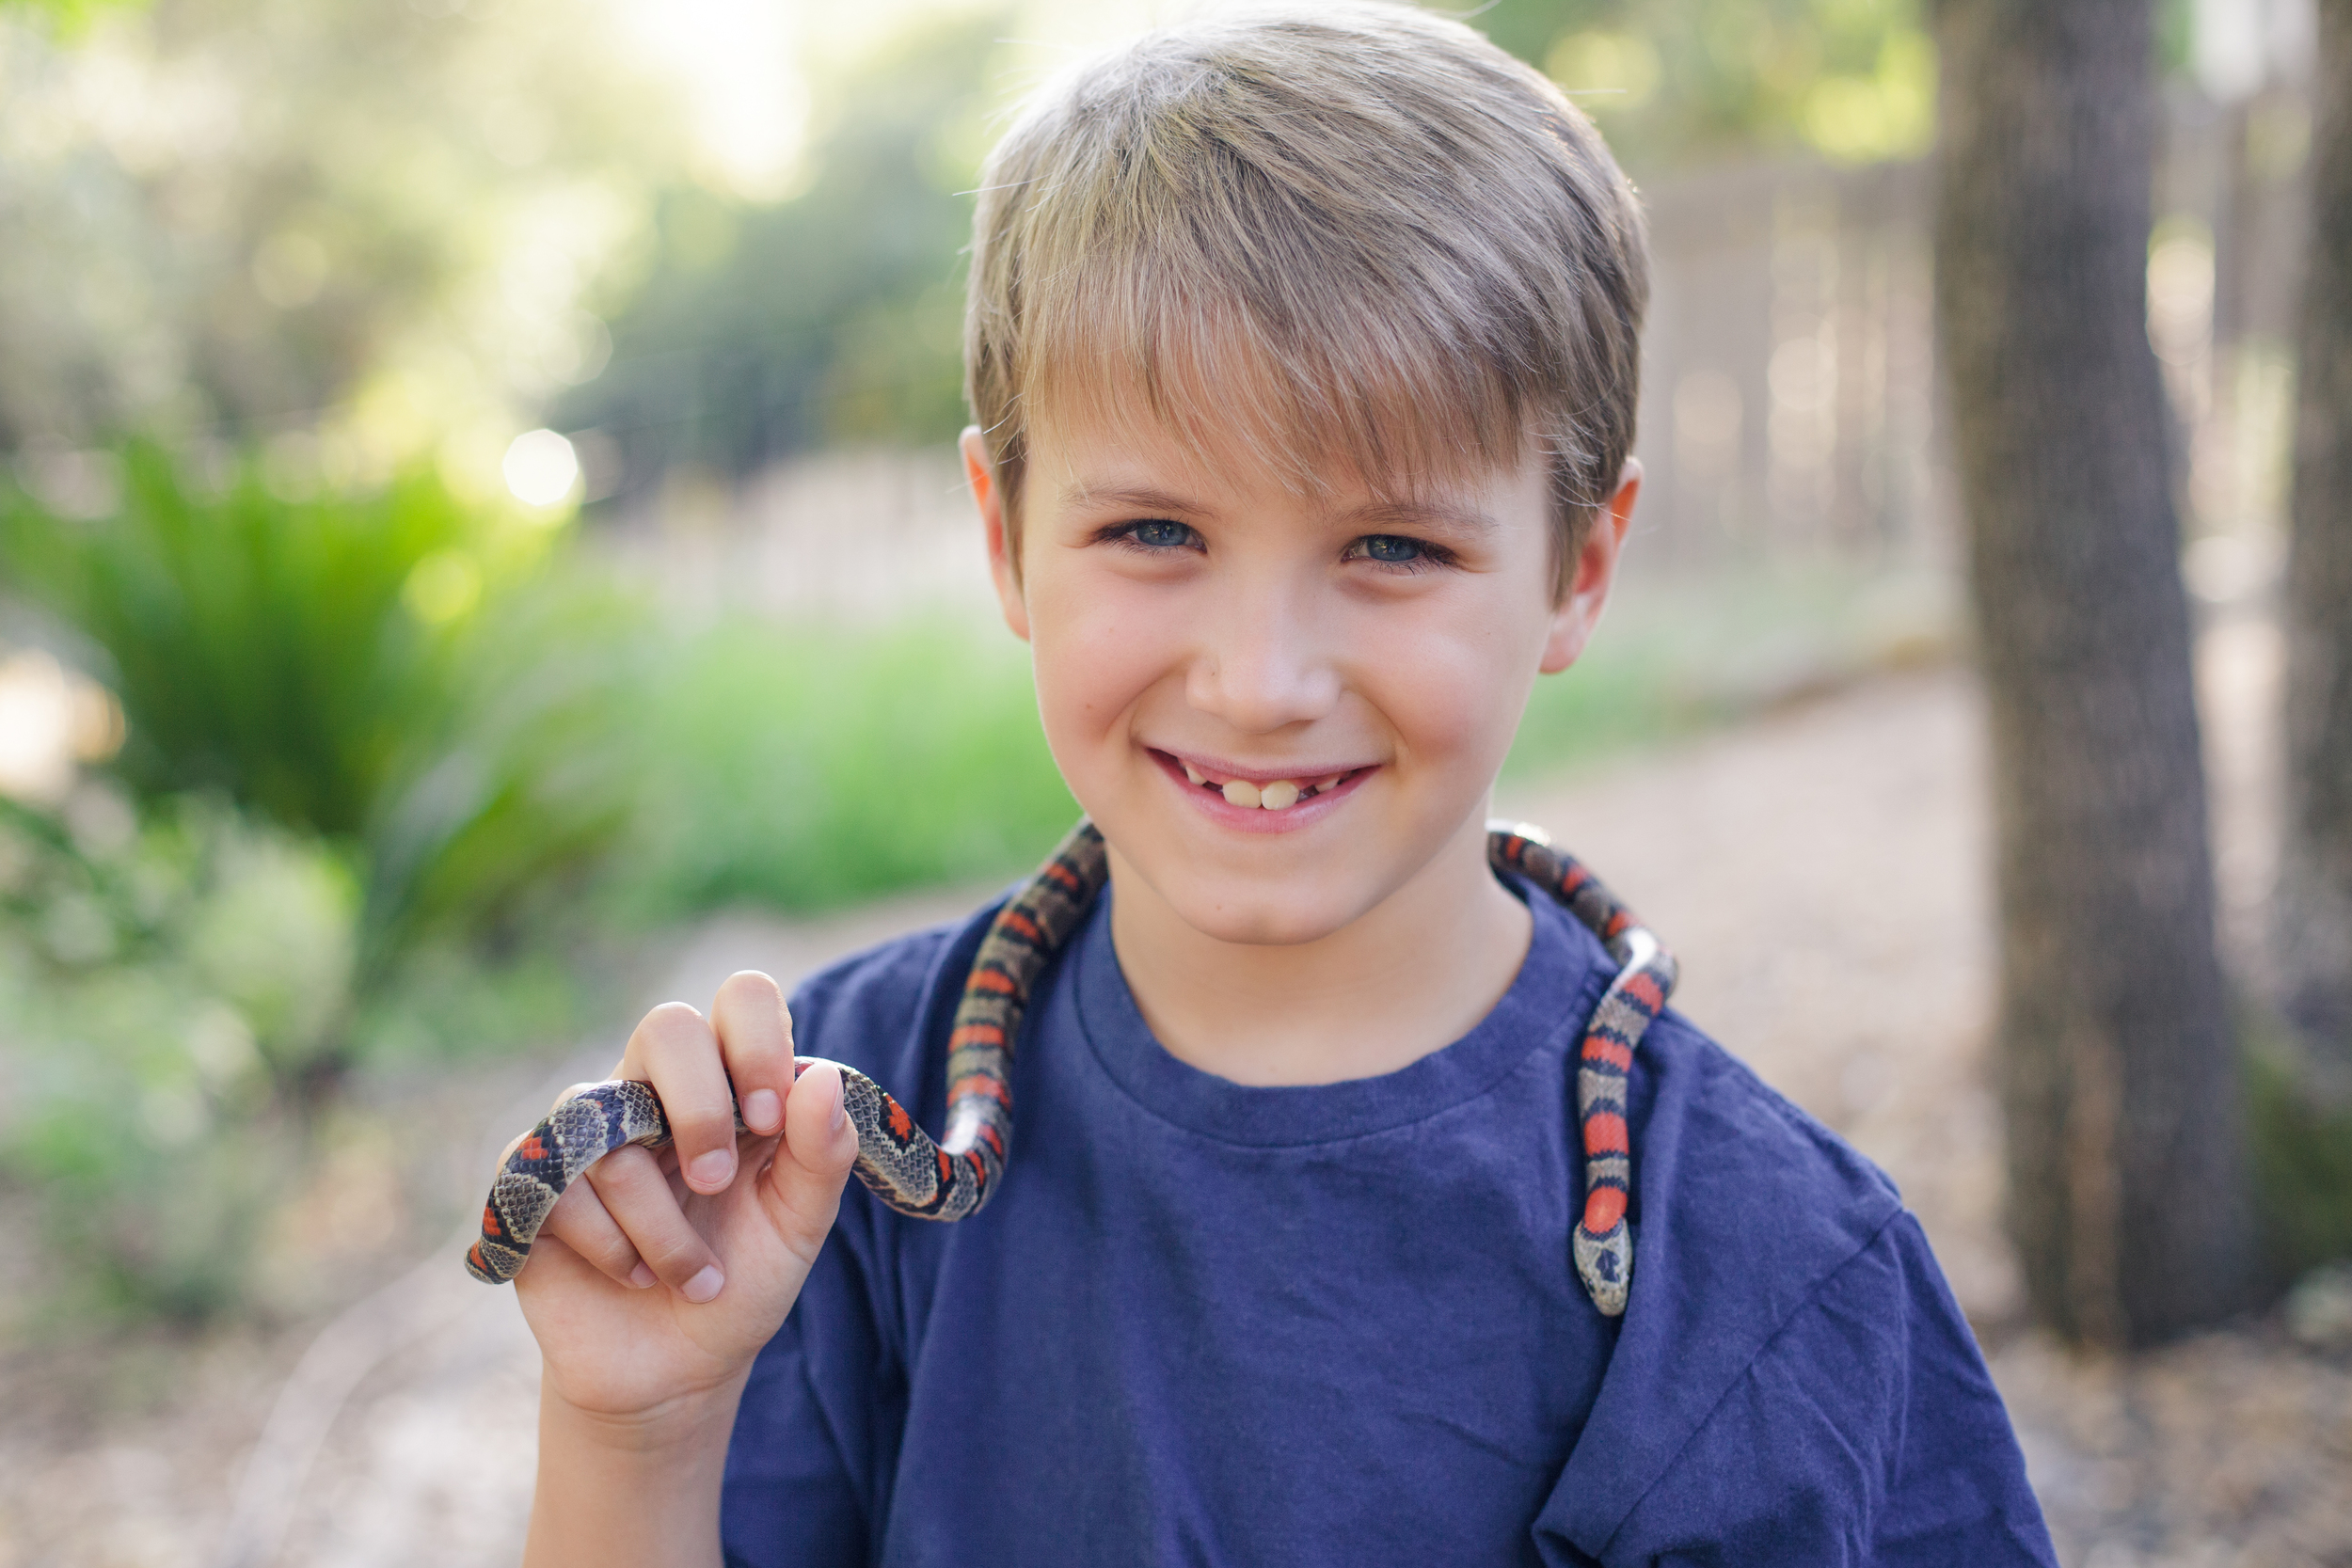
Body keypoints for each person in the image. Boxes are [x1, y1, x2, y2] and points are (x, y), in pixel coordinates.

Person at [511, 6, 2058, 1564]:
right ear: (1004, 539)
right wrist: (638, 1432)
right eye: (1154, 533)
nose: (1260, 682)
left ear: (1579, 569)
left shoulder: (1767, 1278)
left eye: (1393, 547)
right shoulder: (817, 1153)